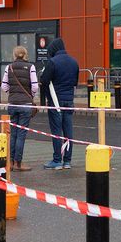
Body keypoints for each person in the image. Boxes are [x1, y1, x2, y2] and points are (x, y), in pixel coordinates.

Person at [39, 38, 79, 170]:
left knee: (56, 131)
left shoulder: (52, 62)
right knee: (68, 131)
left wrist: (44, 99)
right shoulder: (74, 62)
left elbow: (44, 81)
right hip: (69, 101)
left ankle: (57, 160)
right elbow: (75, 82)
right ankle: (67, 161)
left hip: (55, 101)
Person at [1, 46, 38, 171]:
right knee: (21, 135)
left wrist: (12, 94)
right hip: (25, 105)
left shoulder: (9, 67)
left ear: (14, 55)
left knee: (13, 134)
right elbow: (35, 87)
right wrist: (30, 97)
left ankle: (10, 162)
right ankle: (18, 163)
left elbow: (4, 86)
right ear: (25, 55)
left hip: (13, 103)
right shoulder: (31, 67)